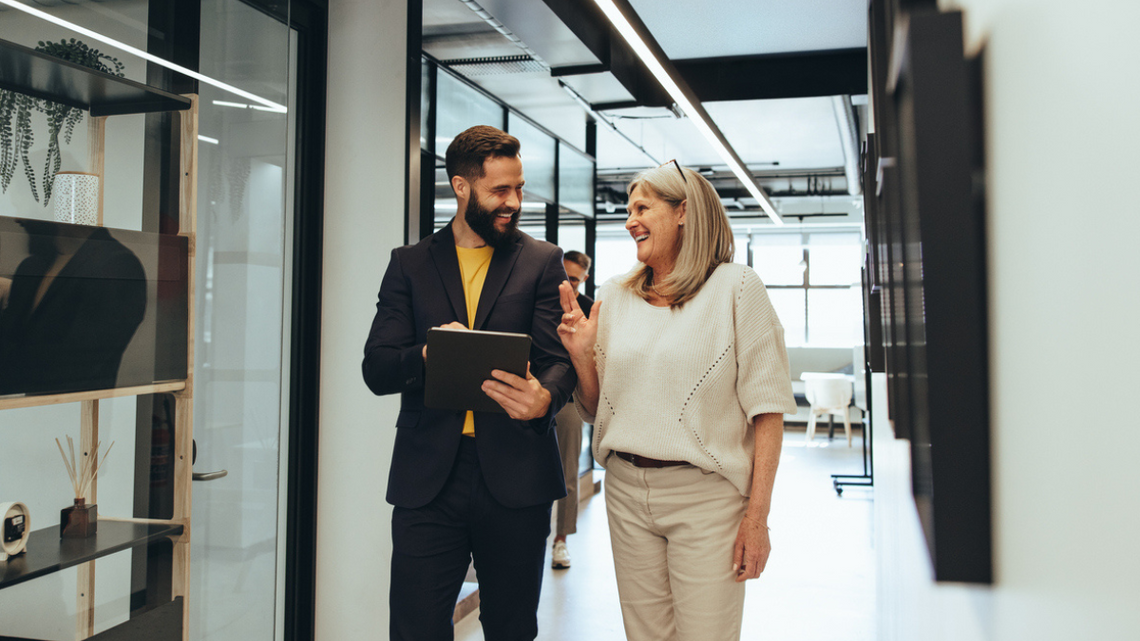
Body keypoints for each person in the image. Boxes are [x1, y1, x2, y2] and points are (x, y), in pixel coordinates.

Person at [556, 161, 795, 640]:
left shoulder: (737, 288)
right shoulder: (614, 295)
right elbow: (596, 407)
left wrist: (758, 518)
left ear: (683, 211)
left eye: (642, 207)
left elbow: (768, 412)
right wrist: (583, 358)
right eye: (628, 210)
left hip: (706, 497)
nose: (629, 221)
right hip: (624, 489)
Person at [362, 125, 576, 641]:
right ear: (462, 188)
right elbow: (377, 367)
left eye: (519, 189)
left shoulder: (542, 262)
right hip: (428, 480)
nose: (514, 202)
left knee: (510, 627)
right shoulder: (409, 264)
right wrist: (430, 353)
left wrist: (545, 395)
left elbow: (558, 361)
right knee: (415, 628)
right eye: (500, 190)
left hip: (517, 475)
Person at [550, 250, 593, 569]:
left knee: (567, 473)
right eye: (563, 276)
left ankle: (561, 540)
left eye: (574, 279)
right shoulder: (542, 304)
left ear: (584, 279)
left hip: (570, 403)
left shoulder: (592, 310)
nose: (567, 283)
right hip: (536, 395)